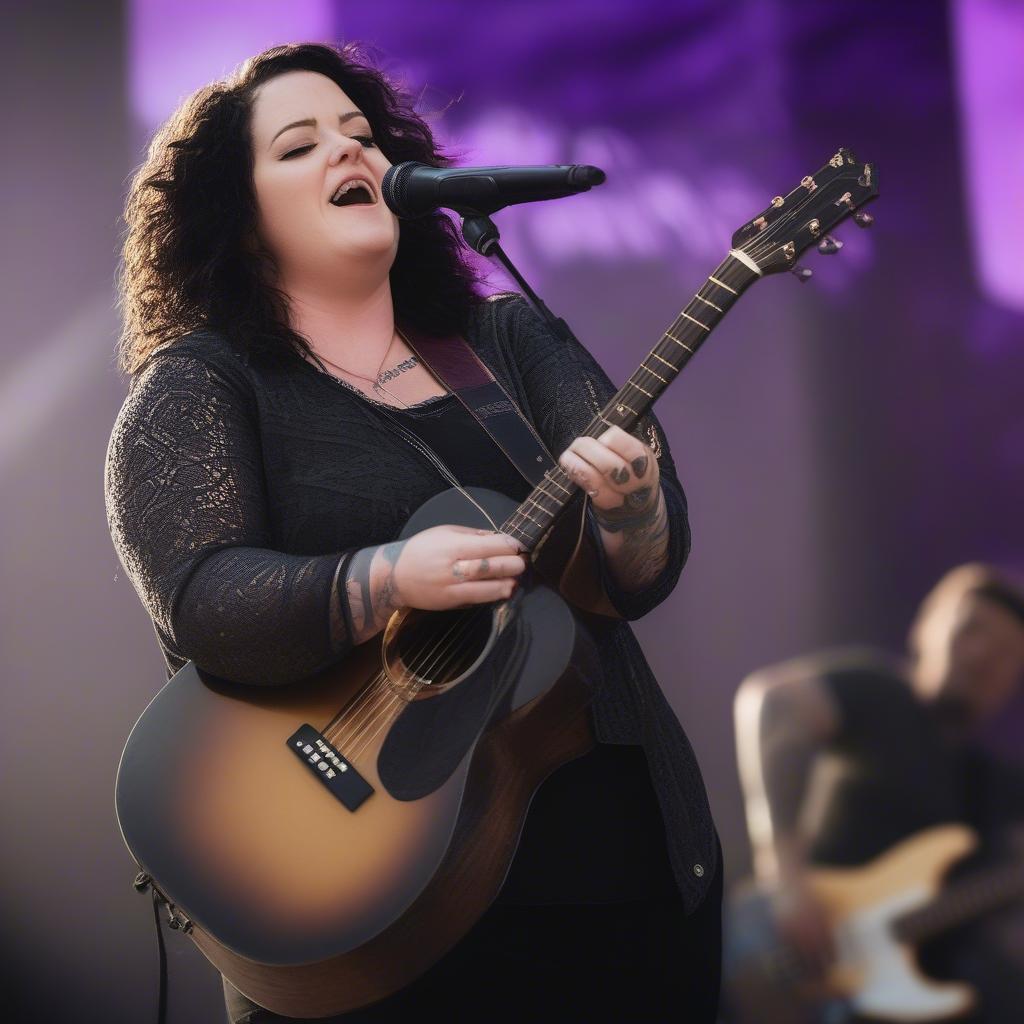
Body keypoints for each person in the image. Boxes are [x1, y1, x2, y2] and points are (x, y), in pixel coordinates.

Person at [105, 41, 722, 1023]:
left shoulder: (508, 340)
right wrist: (388, 579)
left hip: (613, 871)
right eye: (300, 145)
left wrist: (633, 506)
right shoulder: (204, 383)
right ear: (238, 210)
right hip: (353, 889)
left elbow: (640, 577)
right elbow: (202, 603)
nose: (349, 154)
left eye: (362, 135)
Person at [732, 563, 1024, 1022]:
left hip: (909, 994)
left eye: (1007, 652)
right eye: (970, 629)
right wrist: (785, 876)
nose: (983, 654)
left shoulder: (997, 784)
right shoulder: (882, 696)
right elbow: (775, 701)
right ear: (924, 628)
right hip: (790, 954)